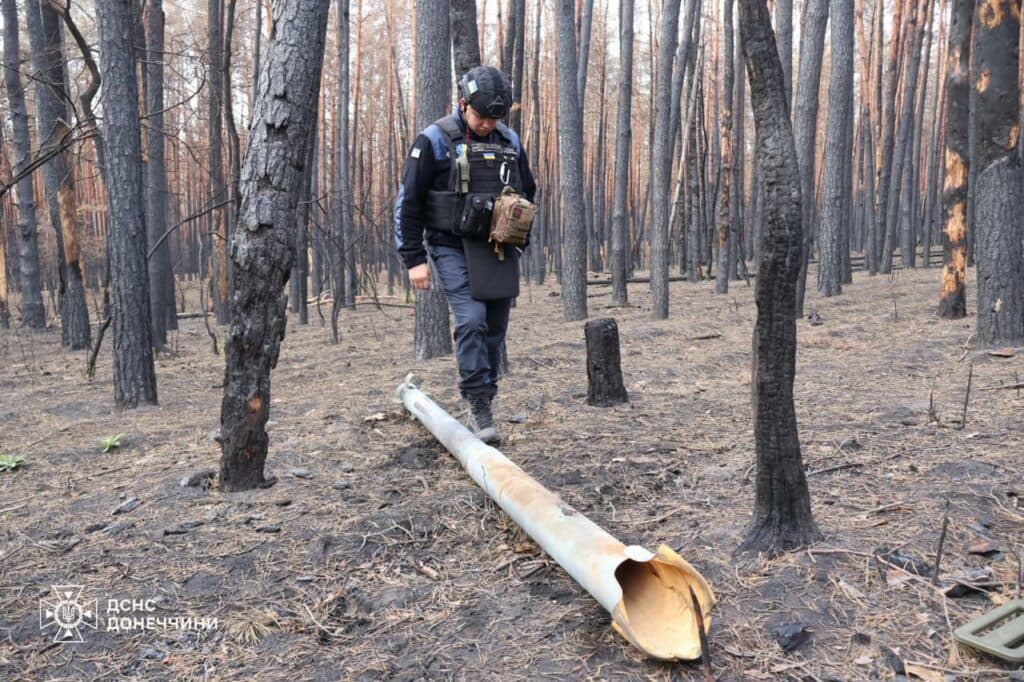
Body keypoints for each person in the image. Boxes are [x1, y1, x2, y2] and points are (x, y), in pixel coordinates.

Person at [395, 65, 537, 444]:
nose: (487, 124)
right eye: (480, 116)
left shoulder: (510, 141)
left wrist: (520, 235)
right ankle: (476, 402)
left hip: (497, 248)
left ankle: (486, 395)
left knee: (495, 327)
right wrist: (414, 259)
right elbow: (408, 202)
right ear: (463, 104)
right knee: (472, 320)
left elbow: (528, 191)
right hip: (450, 245)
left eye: (494, 118)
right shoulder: (434, 140)